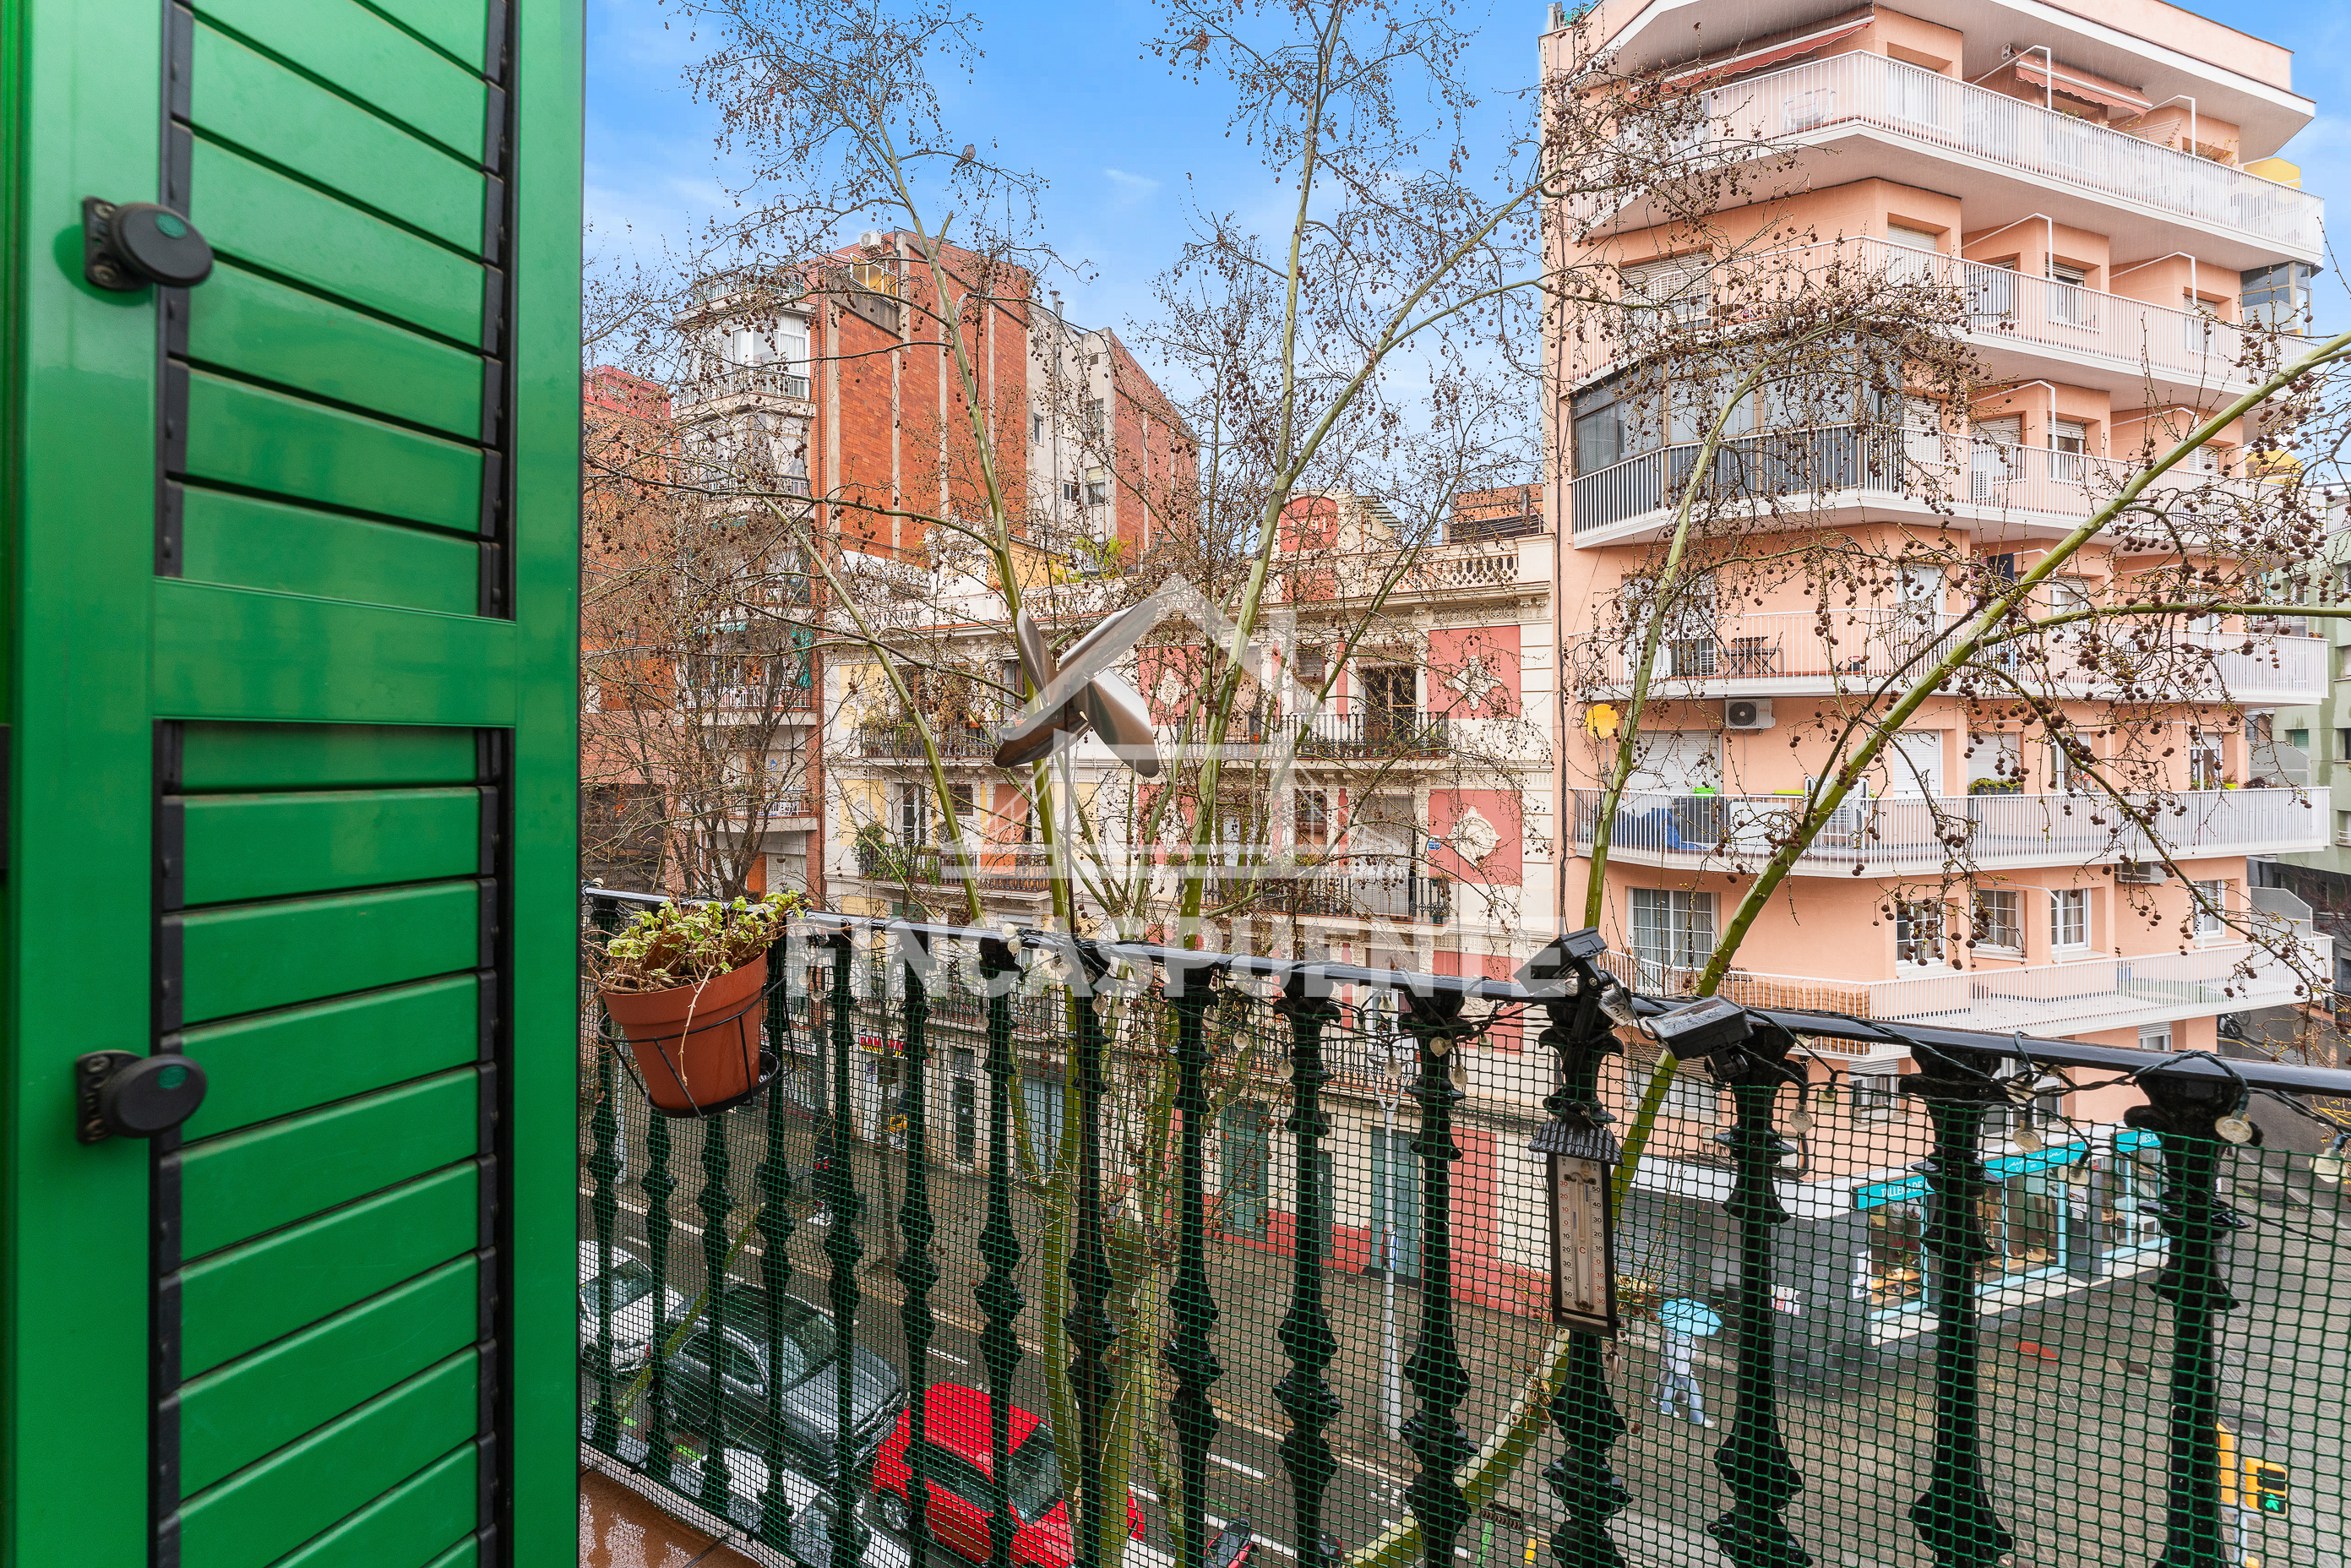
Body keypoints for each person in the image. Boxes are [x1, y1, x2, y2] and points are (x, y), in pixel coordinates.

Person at [1657, 1325, 1712, 1428]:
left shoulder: (1672, 1332)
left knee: (1672, 1385)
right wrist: (1692, 1341)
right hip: (1683, 1369)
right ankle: (1698, 1417)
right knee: (1694, 1392)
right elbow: (1691, 1354)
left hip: (1674, 1364)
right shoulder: (1685, 1337)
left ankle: (1666, 1408)